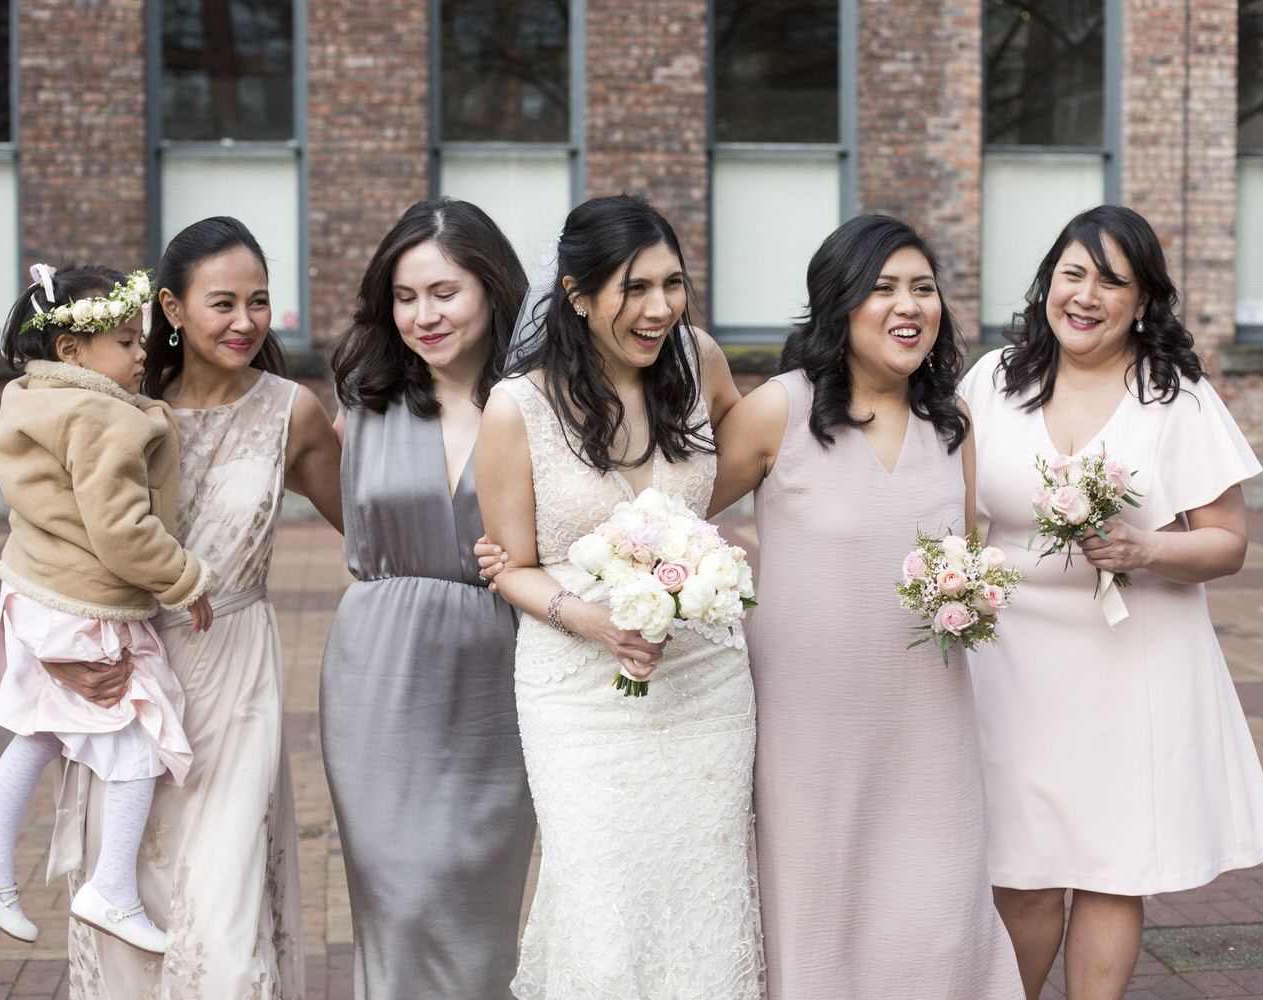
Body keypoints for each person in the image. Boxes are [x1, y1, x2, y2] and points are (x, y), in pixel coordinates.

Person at [959, 205, 1263, 1000]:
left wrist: (1146, 551)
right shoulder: (993, 380)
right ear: (1047, 284)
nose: (1086, 295)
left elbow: (1228, 543)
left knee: (1113, 867)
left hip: (1134, 655)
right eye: (1072, 274)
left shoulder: (1176, 396)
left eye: (1111, 281)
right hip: (1013, 663)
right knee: (1020, 870)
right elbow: (953, 512)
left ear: (1142, 301)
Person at [709, 215, 1024, 998]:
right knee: (821, 909)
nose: (909, 305)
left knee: (939, 910)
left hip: (930, 716)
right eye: (883, 288)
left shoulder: (953, 422)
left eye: (923, 288)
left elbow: (965, 550)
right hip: (808, 721)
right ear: (840, 303)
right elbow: (677, 518)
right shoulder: (778, 409)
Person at [475, 193, 764, 998]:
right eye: (634, 288)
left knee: (705, 889)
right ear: (576, 294)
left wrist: (702, 557)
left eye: (672, 284)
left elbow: (752, 450)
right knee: (599, 893)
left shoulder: (699, 360)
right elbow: (510, 566)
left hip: (705, 681)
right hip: (579, 694)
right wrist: (592, 620)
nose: (660, 308)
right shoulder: (517, 407)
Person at [49, 216, 343, 999]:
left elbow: (374, 528)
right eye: (224, 303)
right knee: (129, 902)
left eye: (259, 301)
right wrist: (58, 656)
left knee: (223, 916)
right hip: (125, 679)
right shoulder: (116, 406)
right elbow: (47, 542)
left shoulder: (292, 412)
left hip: (234, 677)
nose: (246, 321)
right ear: (173, 310)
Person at [0, 264, 210, 956]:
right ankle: (111, 889)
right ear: (71, 350)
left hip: (37, 592)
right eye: (124, 342)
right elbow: (120, 528)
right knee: (135, 747)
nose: (141, 354)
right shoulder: (99, 416)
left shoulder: (32, 400)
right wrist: (183, 578)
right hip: (84, 602)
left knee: (38, 730)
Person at [321, 198, 536, 999]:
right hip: (379, 677)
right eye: (405, 297)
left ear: (492, 288)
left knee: (477, 903)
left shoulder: (541, 403)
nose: (423, 316)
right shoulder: (361, 399)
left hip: (500, 675)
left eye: (444, 293)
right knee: (400, 897)